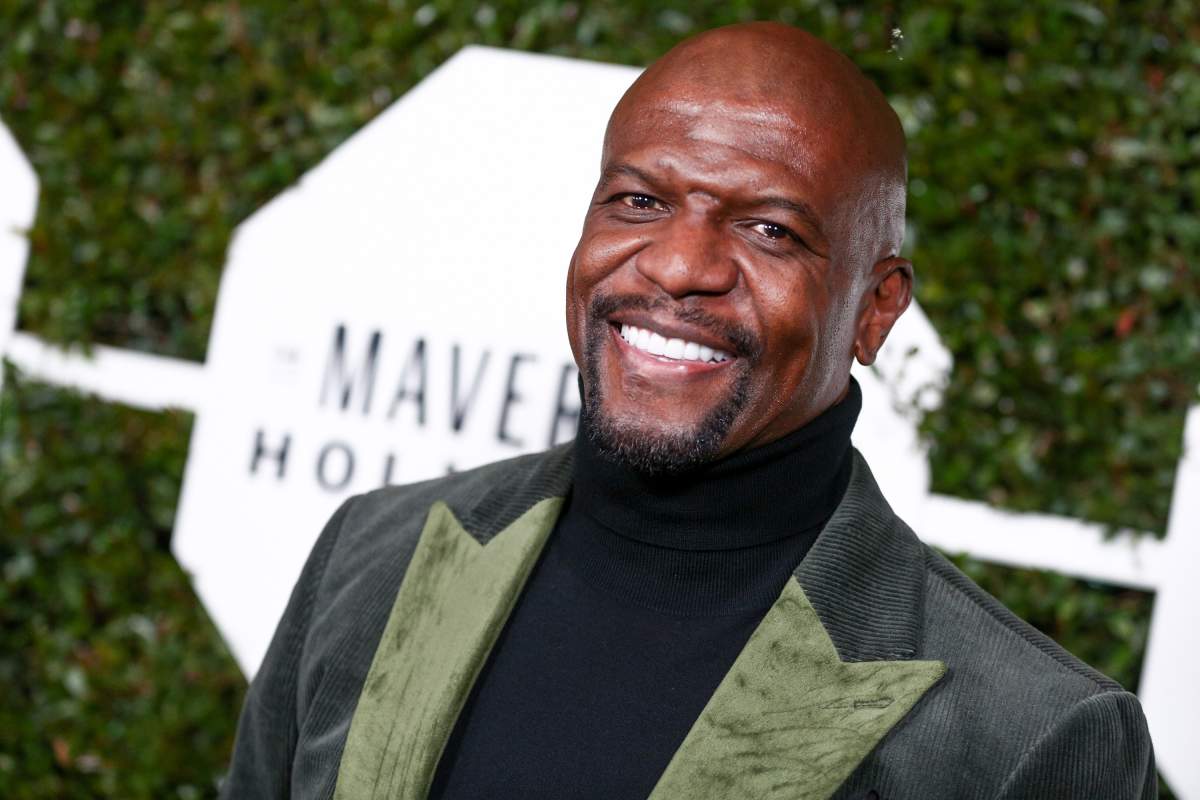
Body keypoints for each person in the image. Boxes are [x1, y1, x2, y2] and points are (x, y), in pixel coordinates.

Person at [221, 22, 1155, 800]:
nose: (677, 265)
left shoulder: (1027, 735)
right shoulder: (371, 554)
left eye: (769, 230)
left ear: (876, 310)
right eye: (638, 201)